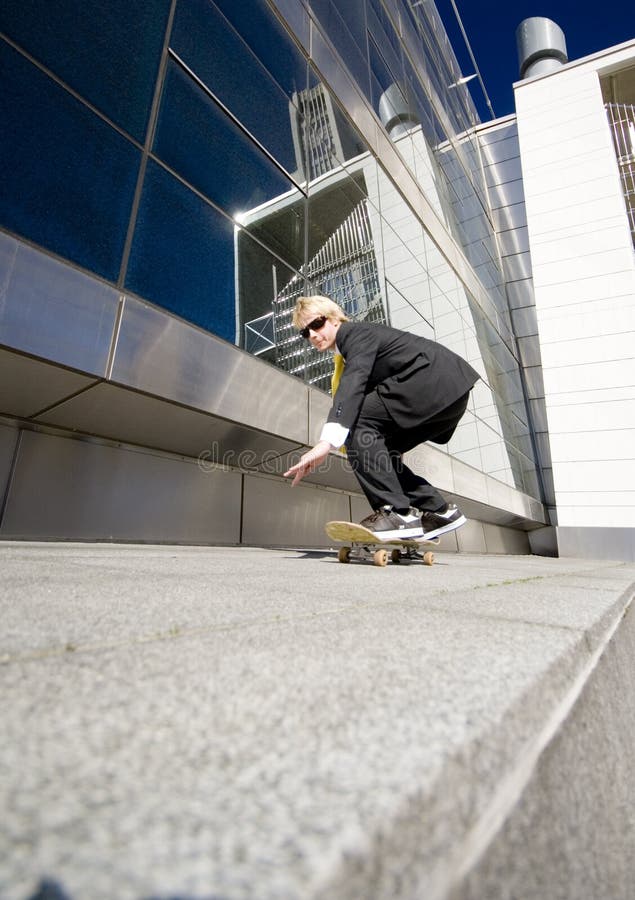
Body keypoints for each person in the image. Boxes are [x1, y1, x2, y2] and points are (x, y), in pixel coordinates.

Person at [283, 295, 480, 541]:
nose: (312, 334)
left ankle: (396, 514)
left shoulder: (354, 334)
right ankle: (437, 510)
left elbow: (353, 385)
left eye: (317, 324)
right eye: (305, 332)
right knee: (374, 449)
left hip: (431, 381)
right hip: (447, 394)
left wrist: (325, 444)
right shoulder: (347, 351)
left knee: (355, 427)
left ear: (334, 319)